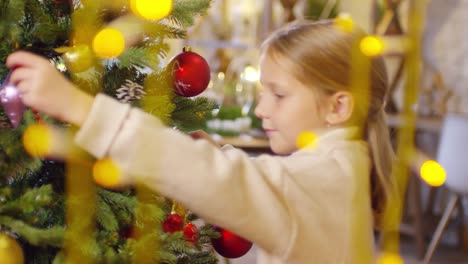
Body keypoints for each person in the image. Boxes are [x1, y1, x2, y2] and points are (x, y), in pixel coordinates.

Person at [6, 19, 395, 263]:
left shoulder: (324, 178)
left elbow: (218, 180)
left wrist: (82, 109)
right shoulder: (340, 167)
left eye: (278, 95)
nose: (262, 110)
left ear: (338, 106)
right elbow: (271, 183)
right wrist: (218, 153)